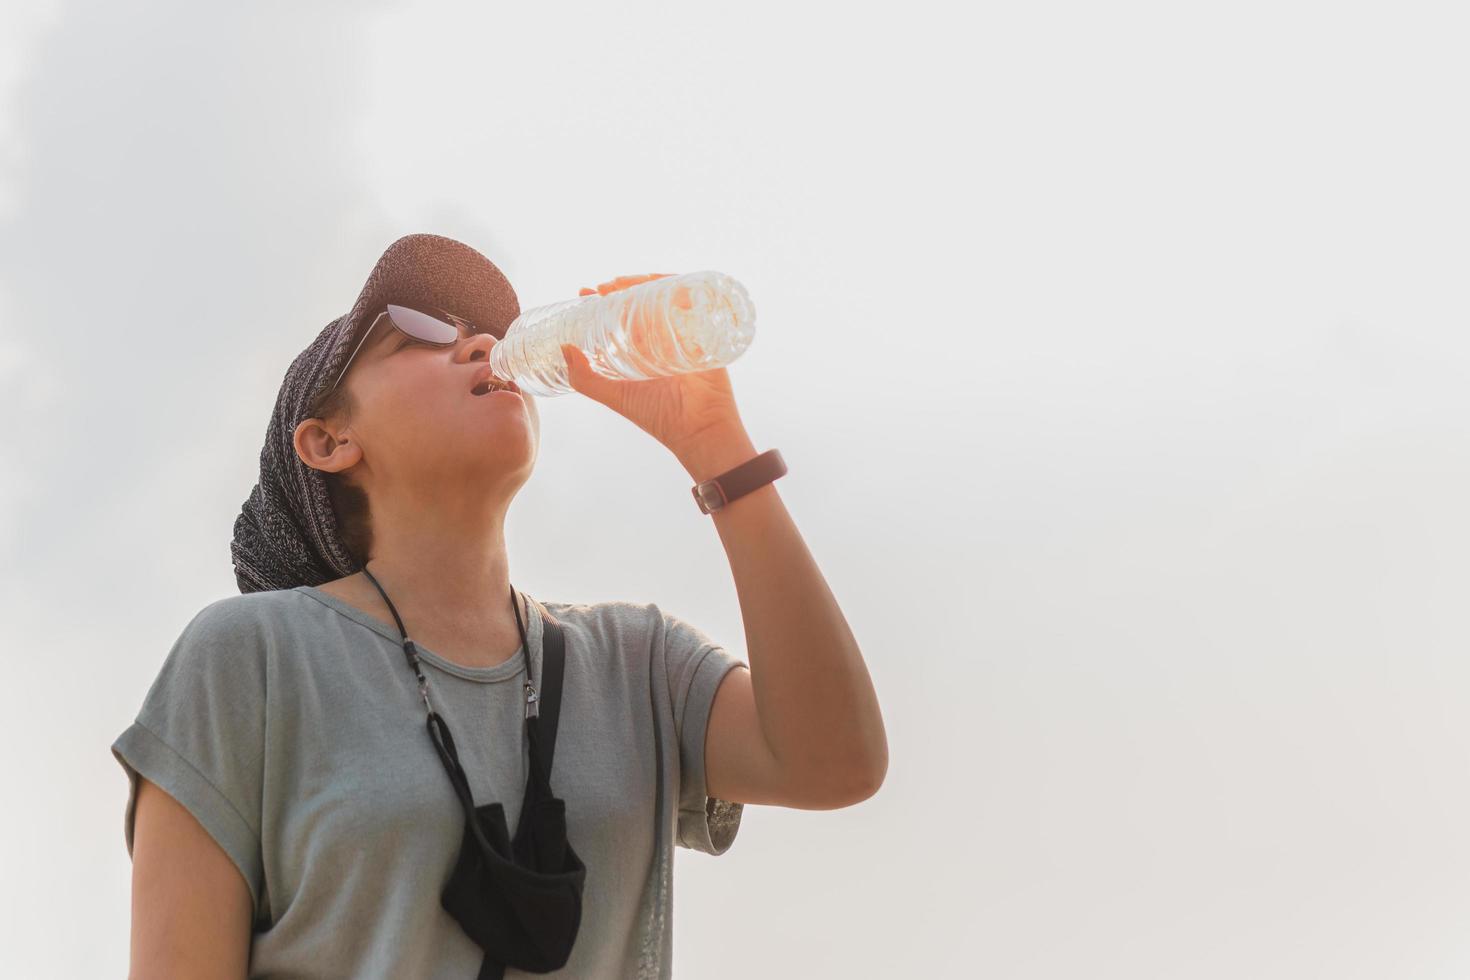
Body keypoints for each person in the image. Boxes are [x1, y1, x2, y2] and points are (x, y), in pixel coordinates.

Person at [111, 233, 888, 978]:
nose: (482, 345)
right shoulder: (250, 658)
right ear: (328, 442)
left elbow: (836, 763)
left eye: (486, 332)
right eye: (415, 332)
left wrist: (717, 446)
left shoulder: (638, 662)